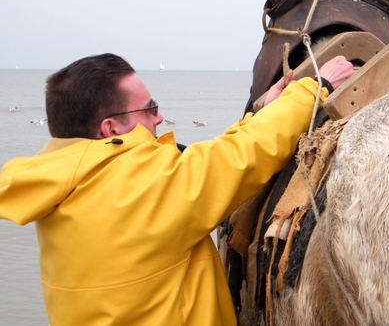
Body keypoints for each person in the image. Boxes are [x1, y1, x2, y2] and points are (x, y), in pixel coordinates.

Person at [0, 53, 354, 325]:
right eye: (149, 109)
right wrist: (317, 85)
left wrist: (259, 110)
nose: (158, 118)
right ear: (110, 129)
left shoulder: (59, 181)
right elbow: (244, 155)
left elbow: (206, 165)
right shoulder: (147, 187)